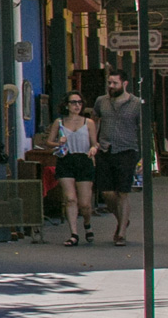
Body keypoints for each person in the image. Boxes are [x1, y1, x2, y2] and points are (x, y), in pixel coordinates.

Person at [39, 92, 97, 247]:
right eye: (73, 102)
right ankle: (74, 234)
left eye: (79, 102)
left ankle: (87, 223)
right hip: (66, 160)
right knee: (70, 199)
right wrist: (58, 143)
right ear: (66, 105)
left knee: (85, 203)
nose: (77, 105)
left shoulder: (88, 122)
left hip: (84, 160)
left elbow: (94, 143)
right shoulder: (59, 122)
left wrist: (93, 149)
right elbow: (49, 142)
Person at [94, 70, 141, 247]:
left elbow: (143, 129)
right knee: (106, 192)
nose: (111, 86)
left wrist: (144, 157)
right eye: (109, 83)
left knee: (123, 192)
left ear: (125, 84)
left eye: (115, 83)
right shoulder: (101, 101)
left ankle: (121, 232)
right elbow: (95, 120)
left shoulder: (136, 104)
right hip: (105, 149)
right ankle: (123, 219)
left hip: (127, 150)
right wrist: (94, 142)